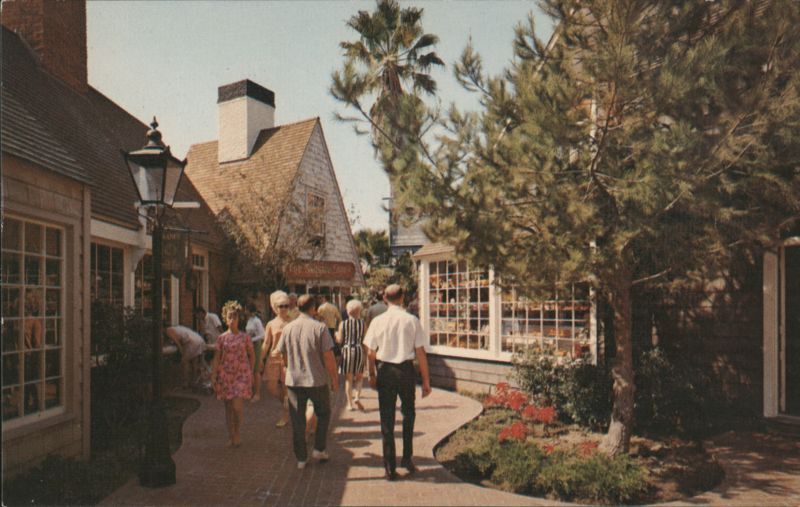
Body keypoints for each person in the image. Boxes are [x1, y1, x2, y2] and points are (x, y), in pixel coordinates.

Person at [364, 284, 431, 481]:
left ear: (385, 298)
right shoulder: (411, 320)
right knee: (408, 414)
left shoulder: (378, 321)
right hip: (406, 370)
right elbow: (420, 352)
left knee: (387, 419)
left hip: (385, 370)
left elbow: (370, 351)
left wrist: (371, 374)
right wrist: (426, 381)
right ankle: (407, 458)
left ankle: (389, 467)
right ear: (402, 297)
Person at [275, 294, 339, 470]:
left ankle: (301, 458)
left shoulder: (288, 328)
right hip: (316, 379)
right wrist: (334, 379)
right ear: (312, 308)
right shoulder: (320, 328)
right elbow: (329, 356)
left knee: (297, 419)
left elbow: (281, 352)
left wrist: (288, 367)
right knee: (324, 412)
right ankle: (319, 447)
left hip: (294, 380)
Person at [211, 301, 255, 447]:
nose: (232, 320)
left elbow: (252, 355)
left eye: (235, 317)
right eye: (229, 317)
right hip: (225, 376)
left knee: (237, 407)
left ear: (239, 319)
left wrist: (251, 371)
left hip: (241, 375)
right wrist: (213, 376)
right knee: (228, 408)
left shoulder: (245, 337)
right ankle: (231, 435)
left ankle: (237, 432)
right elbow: (217, 358)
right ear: (225, 319)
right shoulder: (221, 338)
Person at [262, 291, 292, 427]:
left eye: (286, 306)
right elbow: (266, 343)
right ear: (275, 307)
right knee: (271, 387)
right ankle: (291, 404)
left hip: (289, 359)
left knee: (287, 388)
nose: (284, 309)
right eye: (281, 306)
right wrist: (260, 361)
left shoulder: (293, 322)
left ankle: (285, 416)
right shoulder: (271, 324)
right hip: (274, 358)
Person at [337, 299, 366, 411]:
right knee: (359, 377)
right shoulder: (363, 323)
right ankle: (357, 396)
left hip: (347, 351)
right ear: (359, 311)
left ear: (348, 311)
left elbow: (340, 340)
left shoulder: (343, 324)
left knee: (348, 379)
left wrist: (336, 336)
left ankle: (349, 404)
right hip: (358, 350)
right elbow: (365, 339)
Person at [245, 304, 266, 402]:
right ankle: (251, 391)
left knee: (256, 370)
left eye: (246, 309)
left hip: (256, 345)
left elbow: (262, 335)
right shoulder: (249, 320)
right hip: (249, 346)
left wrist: (251, 339)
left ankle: (257, 393)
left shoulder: (256, 321)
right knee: (251, 369)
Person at [316, 294, 342, 367]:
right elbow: (339, 318)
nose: (320, 299)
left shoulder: (321, 307)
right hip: (332, 327)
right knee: (332, 343)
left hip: (323, 327)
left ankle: (324, 360)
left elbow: (318, 319)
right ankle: (334, 359)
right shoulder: (334, 307)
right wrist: (338, 328)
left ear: (324, 298)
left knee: (323, 343)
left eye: (321, 297)